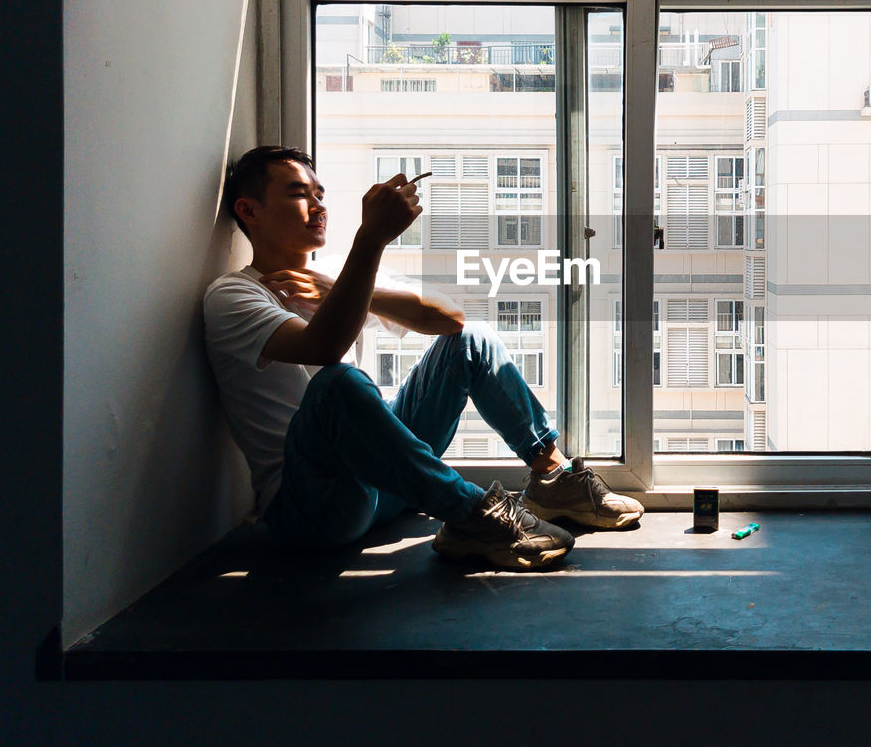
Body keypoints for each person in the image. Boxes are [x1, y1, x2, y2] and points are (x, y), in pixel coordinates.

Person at [203, 146, 643, 569]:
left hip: (383, 487)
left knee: (471, 337)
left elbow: (451, 319)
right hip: (313, 510)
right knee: (339, 384)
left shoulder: (336, 274)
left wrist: (349, 289)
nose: (319, 206)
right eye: (299, 194)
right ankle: (471, 515)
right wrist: (371, 238)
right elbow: (323, 348)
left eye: (321, 194)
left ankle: (552, 477)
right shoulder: (233, 295)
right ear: (249, 211)